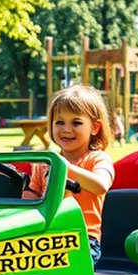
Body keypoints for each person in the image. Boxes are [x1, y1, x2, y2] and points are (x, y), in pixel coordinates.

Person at [25, 85, 115, 264]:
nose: (66, 129)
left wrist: (65, 167)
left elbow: (101, 185)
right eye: (59, 122)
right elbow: (30, 196)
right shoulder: (44, 164)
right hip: (44, 237)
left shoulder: (98, 159)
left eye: (76, 123)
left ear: (95, 127)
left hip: (83, 240)